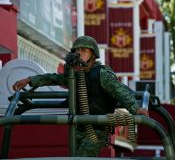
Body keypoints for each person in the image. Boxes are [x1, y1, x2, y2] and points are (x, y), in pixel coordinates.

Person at [12, 35, 148, 157]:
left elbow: (120, 91)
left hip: (98, 128)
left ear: (93, 54)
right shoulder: (75, 74)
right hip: (79, 126)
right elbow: (54, 78)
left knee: (82, 157)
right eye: (77, 50)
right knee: (75, 156)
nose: (79, 53)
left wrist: (135, 109)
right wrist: (30, 80)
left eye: (84, 50)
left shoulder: (102, 73)